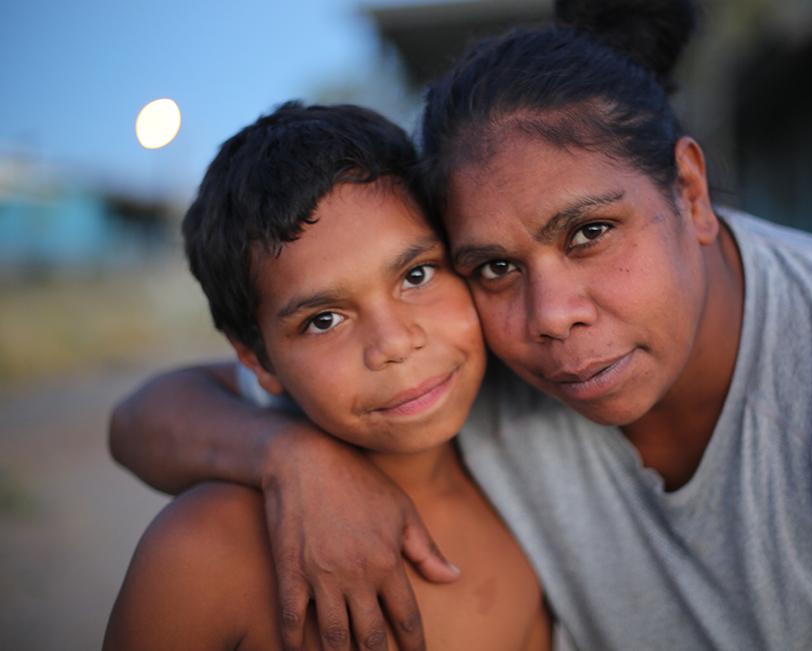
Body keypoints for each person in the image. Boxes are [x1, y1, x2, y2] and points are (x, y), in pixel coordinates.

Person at [110, 1, 812, 649]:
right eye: (491, 265)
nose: (552, 316)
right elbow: (145, 416)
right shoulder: (462, 366)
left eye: (591, 232)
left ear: (692, 192)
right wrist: (288, 457)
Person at [103, 102, 565, 651]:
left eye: (416, 275)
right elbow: (135, 418)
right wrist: (291, 457)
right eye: (324, 320)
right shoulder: (206, 550)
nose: (393, 343)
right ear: (258, 361)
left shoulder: (526, 508)